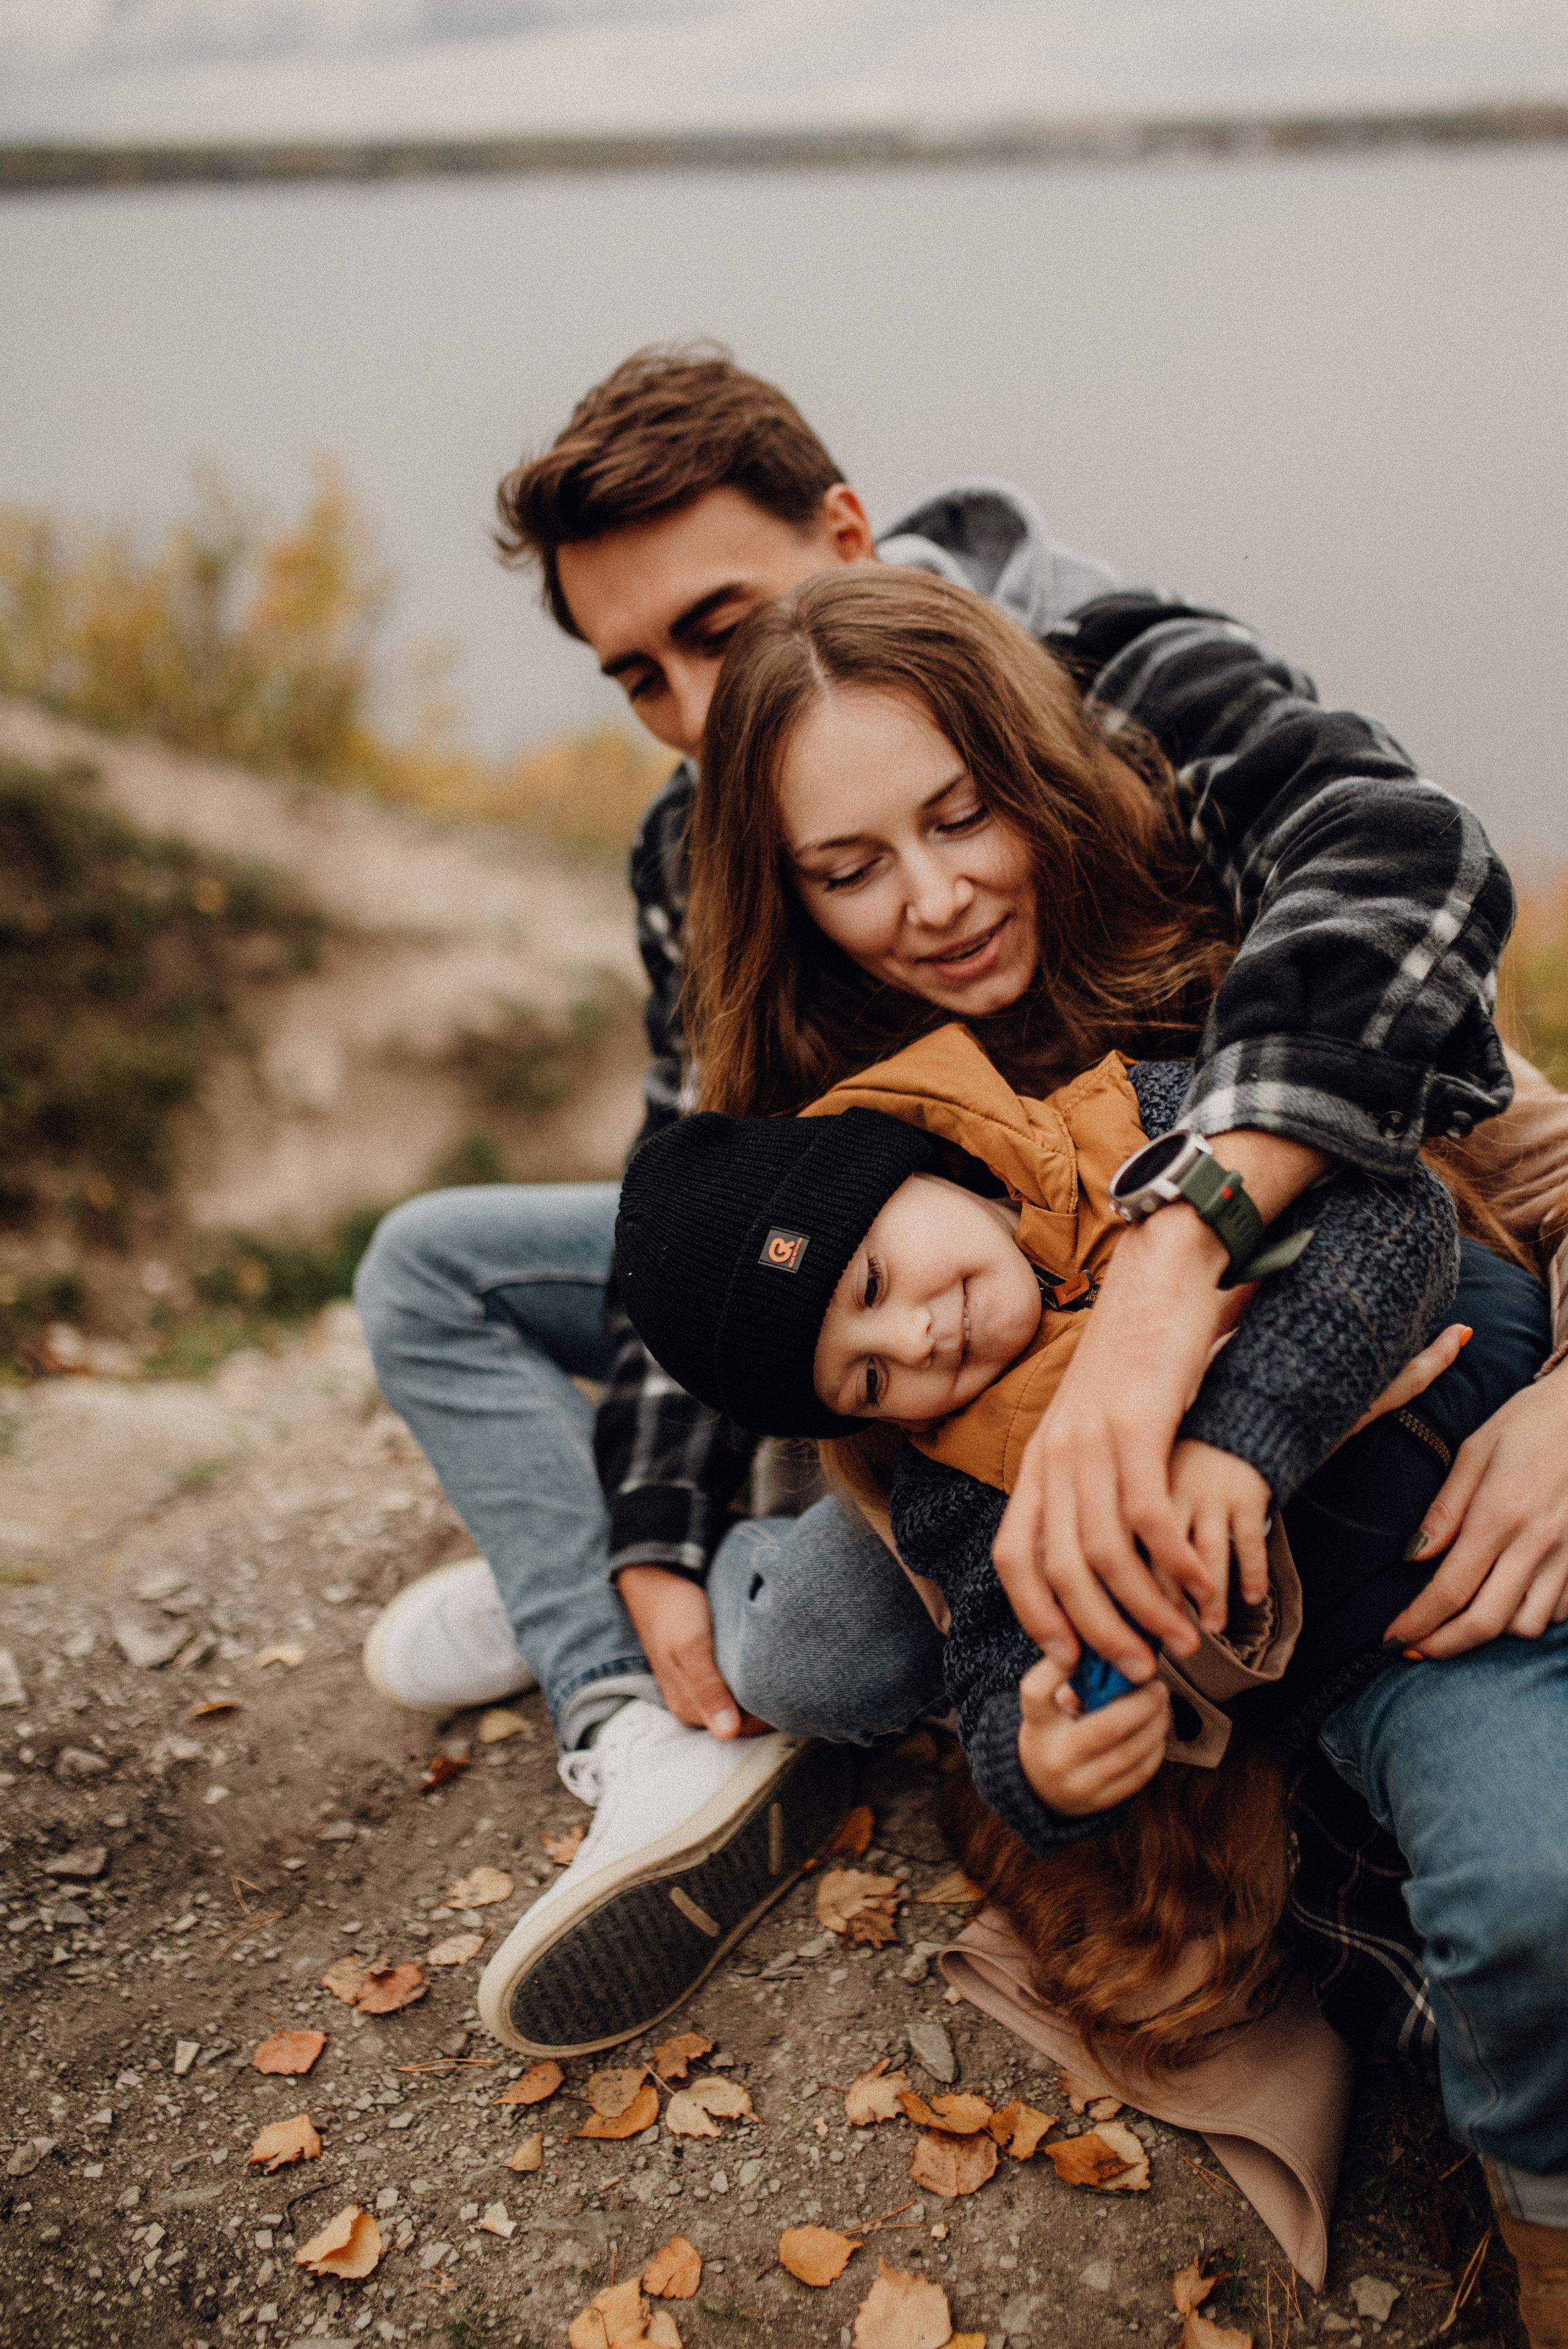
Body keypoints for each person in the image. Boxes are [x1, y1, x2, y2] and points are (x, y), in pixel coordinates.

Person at [352, 347, 1568, 2075]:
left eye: (718, 628)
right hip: (901, 1313)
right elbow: (698, 1189)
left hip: (1175, 1241)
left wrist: (1174, 1281)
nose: (693, 711)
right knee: (432, 1272)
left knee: (828, 1637)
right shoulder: (706, 841)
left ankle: (699, 1598)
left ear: (848, 539)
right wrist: (648, 1534)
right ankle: (631, 1715)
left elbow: (1405, 884)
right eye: (637, 677)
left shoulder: (1116, 688)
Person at [610, 1014, 1553, 2207]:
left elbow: (1392, 1213)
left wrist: (1240, 1441)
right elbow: (997, 1665)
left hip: (1535, 1421)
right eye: (869, 1376)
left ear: (919, 1169)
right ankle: (1545, 2210)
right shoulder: (969, 1488)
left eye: (873, 1282)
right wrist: (1045, 1762)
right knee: (1529, 1888)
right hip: (1411, 1656)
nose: (916, 1339)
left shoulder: (1137, 1130)